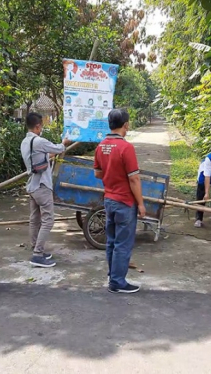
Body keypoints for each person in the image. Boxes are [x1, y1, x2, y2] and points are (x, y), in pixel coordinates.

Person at [94, 108, 145, 294]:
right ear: (125, 125)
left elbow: (97, 173)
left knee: (112, 242)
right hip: (124, 202)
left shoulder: (100, 146)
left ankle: (112, 275)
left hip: (109, 200)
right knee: (123, 244)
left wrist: (111, 176)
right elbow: (134, 179)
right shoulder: (126, 147)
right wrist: (140, 203)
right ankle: (117, 282)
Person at [20, 113, 72, 268]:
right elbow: (59, 148)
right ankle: (37, 255)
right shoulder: (39, 141)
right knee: (48, 220)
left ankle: (37, 248)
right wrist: (65, 142)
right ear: (37, 126)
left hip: (32, 185)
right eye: (41, 125)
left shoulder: (25, 142)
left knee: (35, 219)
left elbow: (41, 156)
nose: (42, 128)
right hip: (42, 186)